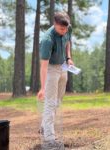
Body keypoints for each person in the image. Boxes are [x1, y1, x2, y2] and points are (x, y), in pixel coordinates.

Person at [37, 12, 74, 143]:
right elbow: (44, 66)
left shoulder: (68, 28)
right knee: (50, 102)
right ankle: (49, 136)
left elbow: (68, 41)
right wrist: (42, 88)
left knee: (58, 101)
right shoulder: (47, 40)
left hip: (63, 66)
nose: (64, 31)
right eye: (61, 29)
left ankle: (44, 126)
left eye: (65, 28)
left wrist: (68, 57)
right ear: (54, 24)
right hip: (51, 69)